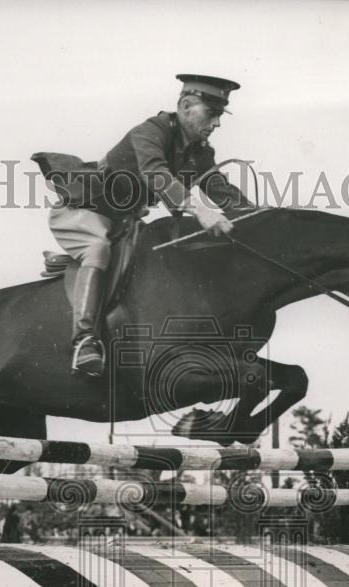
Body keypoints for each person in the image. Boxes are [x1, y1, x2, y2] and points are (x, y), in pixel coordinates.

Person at [37, 74, 252, 377]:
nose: (216, 124)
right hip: (83, 213)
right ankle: (85, 341)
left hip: (123, 223)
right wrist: (199, 210)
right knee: (97, 248)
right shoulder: (150, 132)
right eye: (212, 113)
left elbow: (218, 187)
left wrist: (258, 216)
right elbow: (156, 173)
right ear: (186, 105)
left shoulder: (200, 151)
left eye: (219, 116)